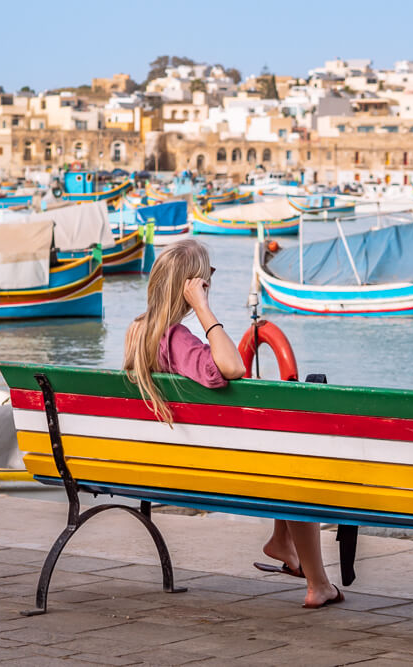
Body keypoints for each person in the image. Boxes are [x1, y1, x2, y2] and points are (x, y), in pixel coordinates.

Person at [124, 239, 343, 609]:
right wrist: (204, 310)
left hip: (157, 462)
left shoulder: (136, 333)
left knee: (280, 460)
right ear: (193, 286)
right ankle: (318, 583)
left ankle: (283, 542)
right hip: (206, 467)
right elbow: (231, 368)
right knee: (296, 473)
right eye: (207, 276)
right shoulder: (176, 338)